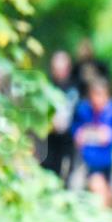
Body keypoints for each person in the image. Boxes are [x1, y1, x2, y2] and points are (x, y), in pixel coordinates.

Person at [72, 78, 112, 208]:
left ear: (107, 96)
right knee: (97, 188)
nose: (97, 100)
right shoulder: (83, 110)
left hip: (107, 160)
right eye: (94, 95)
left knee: (106, 194)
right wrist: (78, 134)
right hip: (89, 160)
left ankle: (103, 220)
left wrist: (110, 134)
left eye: (101, 95)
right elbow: (74, 126)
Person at [41, 50, 79, 186]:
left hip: (69, 138)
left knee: (67, 172)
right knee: (48, 169)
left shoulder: (75, 88)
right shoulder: (46, 86)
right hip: (49, 137)